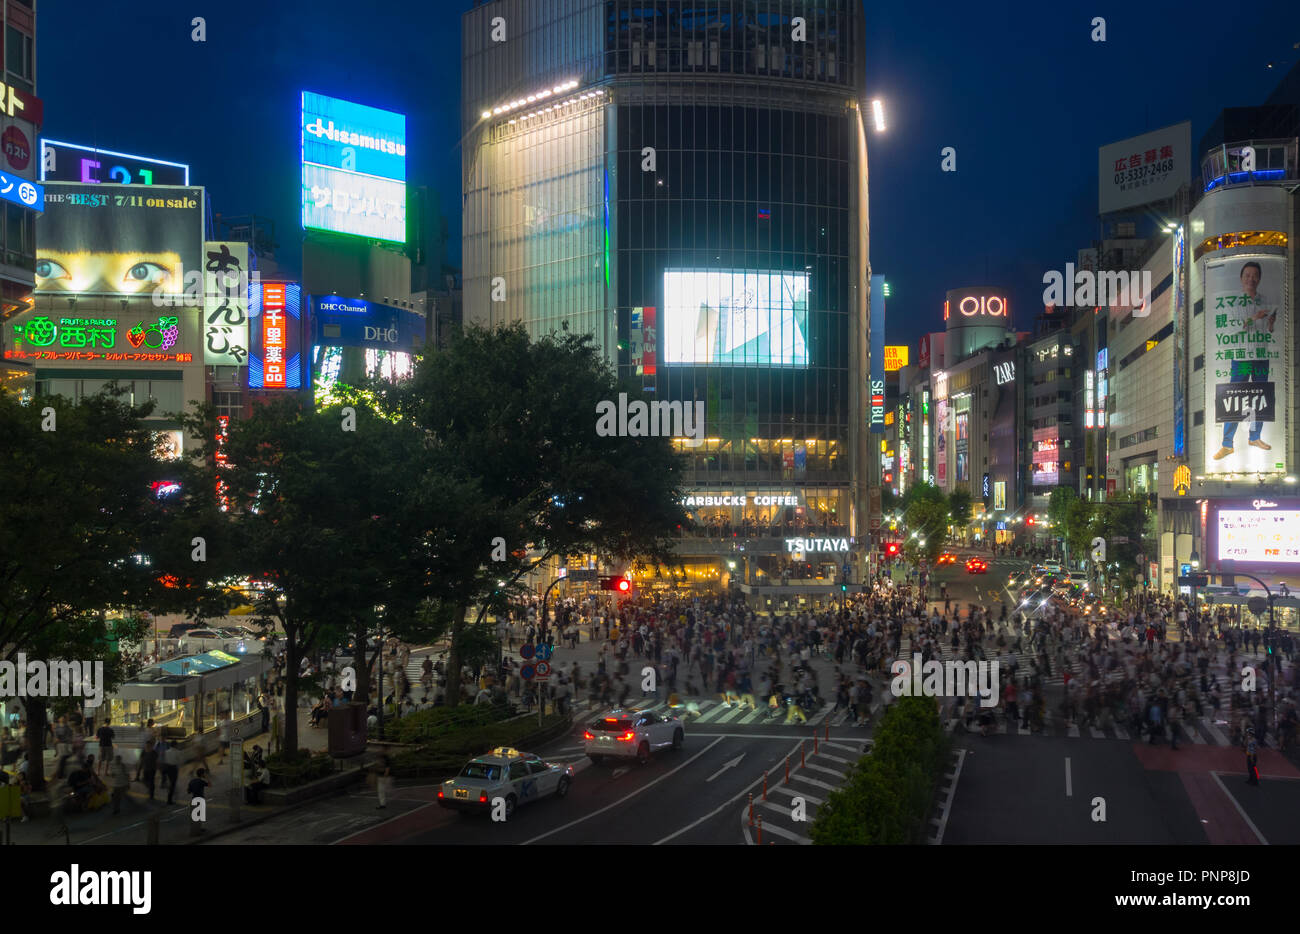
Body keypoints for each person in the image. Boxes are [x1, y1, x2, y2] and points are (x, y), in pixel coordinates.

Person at [1213, 261, 1279, 461]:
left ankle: (1255, 437)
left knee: (1260, 397)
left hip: (1261, 356)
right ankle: (1227, 444)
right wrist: (1252, 318)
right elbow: (1230, 329)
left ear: (1259, 279)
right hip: (1241, 357)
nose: (1251, 278)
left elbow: (1268, 333)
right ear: (1242, 278)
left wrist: (1270, 324)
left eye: (1255, 275)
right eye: (1248, 275)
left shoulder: (1265, 300)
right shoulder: (1233, 302)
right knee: (1234, 398)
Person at [187, 768, 210, 835]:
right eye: (204, 773)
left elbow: (188, 791)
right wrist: (207, 778)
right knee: (200, 815)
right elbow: (210, 785)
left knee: (195, 815)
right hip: (200, 799)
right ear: (202, 774)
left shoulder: (192, 781)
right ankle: (199, 829)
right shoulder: (201, 781)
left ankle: (196, 829)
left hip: (194, 799)